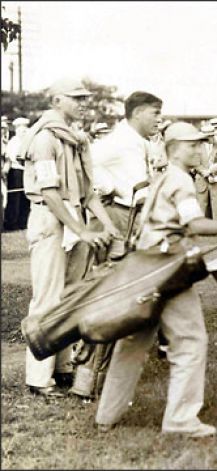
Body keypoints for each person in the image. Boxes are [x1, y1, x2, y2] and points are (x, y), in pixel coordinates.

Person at [95, 121, 217, 437]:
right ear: (174, 148)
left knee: (132, 342)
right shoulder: (180, 180)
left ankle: (107, 416)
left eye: (200, 144)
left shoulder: (160, 178)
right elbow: (193, 223)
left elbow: (169, 229)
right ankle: (180, 420)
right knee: (191, 342)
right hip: (166, 271)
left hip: (145, 266)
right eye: (192, 144)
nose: (199, 149)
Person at [21, 78, 120, 397]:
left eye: (84, 97)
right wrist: (81, 230)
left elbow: (87, 191)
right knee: (48, 297)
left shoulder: (76, 139)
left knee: (69, 296)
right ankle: (38, 377)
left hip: (73, 217)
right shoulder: (44, 138)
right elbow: (49, 192)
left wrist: (107, 226)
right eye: (75, 98)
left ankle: (62, 367)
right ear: (56, 102)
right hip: (51, 218)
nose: (82, 102)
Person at [90, 91, 164, 256]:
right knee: (110, 273)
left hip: (134, 215)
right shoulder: (120, 140)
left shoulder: (137, 140)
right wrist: (107, 188)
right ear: (137, 113)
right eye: (155, 113)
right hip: (118, 213)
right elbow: (86, 161)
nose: (159, 119)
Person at [191, 122, 217, 220]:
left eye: (213, 135)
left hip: (216, 181)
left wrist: (212, 173)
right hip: (201, 181)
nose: (212, 138)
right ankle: (201, 232)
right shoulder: (197, 147)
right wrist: (207, 174)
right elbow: (196, 163)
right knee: (201, 208)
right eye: (210, 136)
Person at [4, 117, 31, 230]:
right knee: (15, 197)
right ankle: (12, 223)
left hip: (27, 170)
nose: (24, 132)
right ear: (17, 130)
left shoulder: (28, 141)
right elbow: (13, 156)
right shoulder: (13, 142)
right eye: (21, 130)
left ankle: (23, 222)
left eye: (25, 130)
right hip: (16, 171)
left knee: (26, 196)